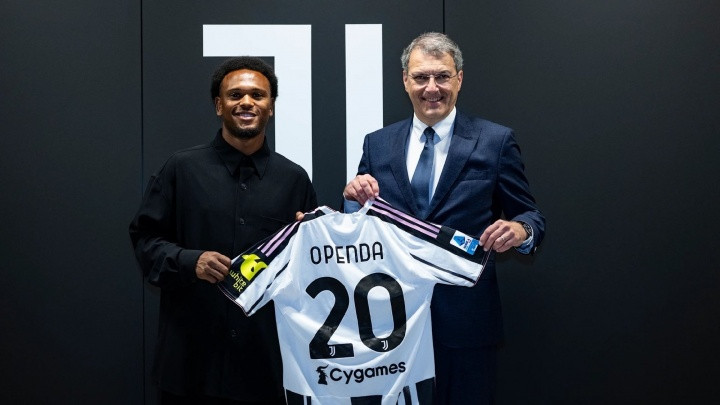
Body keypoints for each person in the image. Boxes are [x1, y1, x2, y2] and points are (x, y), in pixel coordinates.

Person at [343, 32, 546, 404]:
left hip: (467, 325)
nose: (432, 88)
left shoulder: (495, 140)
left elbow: (529, 214)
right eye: (421, 77)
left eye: (442, 76)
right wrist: (352, 199)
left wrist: (520, 230)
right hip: (392, 325)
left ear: (460, 78)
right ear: (405, 80)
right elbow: (359, 223)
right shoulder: (378, 143)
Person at [129, 57, 317, 405]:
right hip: (189, 366)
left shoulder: (294, 180)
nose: (246, 102)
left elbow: (308, 272)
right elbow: (145, 240)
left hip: (264, 368)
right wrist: (190, 262)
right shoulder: (181, 168)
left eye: (257, 95)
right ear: (219, 105)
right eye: (235, 95)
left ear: (271, 106)